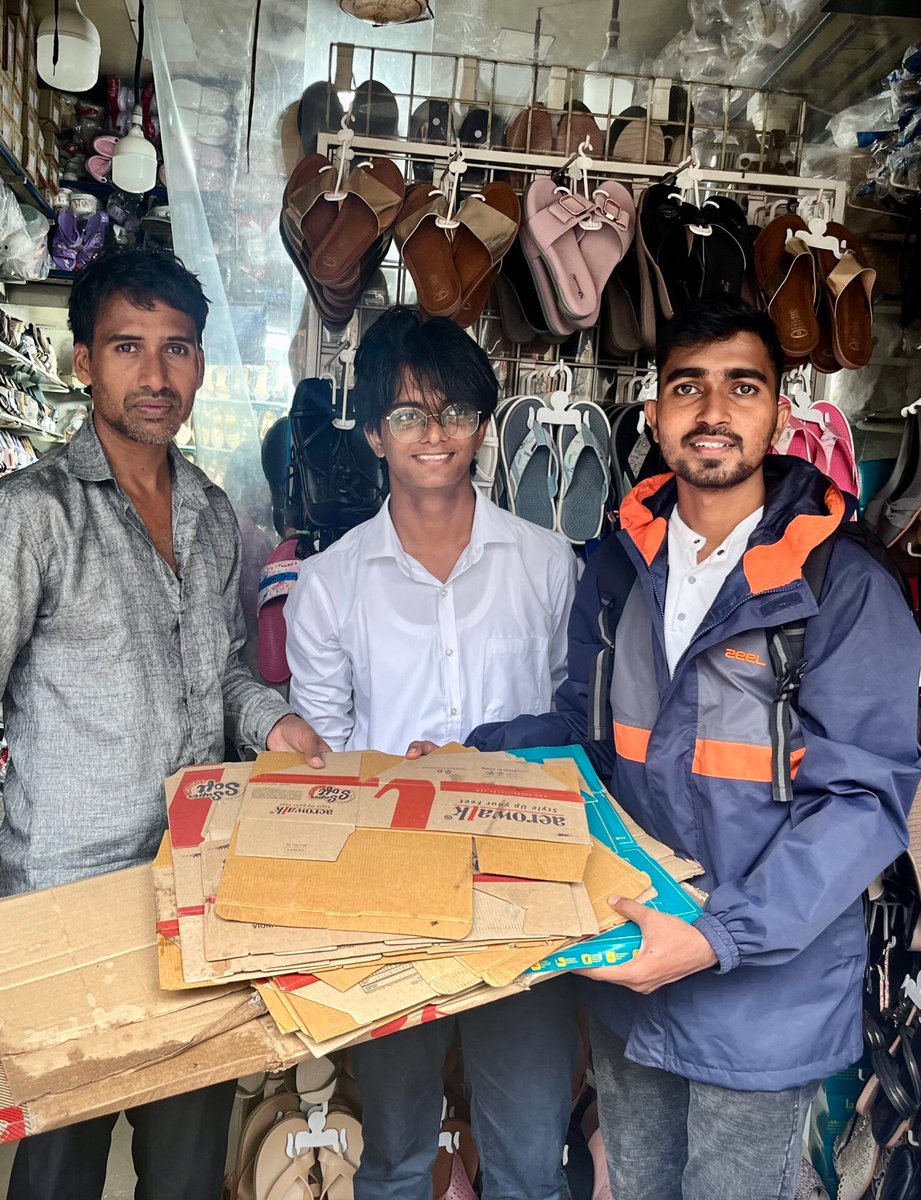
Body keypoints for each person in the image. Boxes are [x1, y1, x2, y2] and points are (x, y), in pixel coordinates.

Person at [0, 248, 330, 1200]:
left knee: (184, 1177)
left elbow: (217, 678)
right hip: (61, 913)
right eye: (128, 348)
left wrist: (275, 723)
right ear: (83, 360)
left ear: (202, 364)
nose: (156, 375)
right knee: (56, 1180)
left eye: (177, 349)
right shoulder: (27, 517)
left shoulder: (212, 516)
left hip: (191, 902)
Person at [458, 299, 921, 1200]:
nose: (713, 411)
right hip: (633, 970)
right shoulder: (618, 564)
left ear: (780, 414)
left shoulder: (842, 585)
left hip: (761, 996)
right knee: (633, 1186)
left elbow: (863, 806)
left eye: (741, 387)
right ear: (654, 414)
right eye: (688, 388)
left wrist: (713, 938)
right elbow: (587, 740)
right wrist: (474, 760)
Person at [284, 306, 581, 1200]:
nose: (434, 434)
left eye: (454, 411)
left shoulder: (548, 563)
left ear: (484, 424)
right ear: (374, 432)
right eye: (408, 415)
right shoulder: (332, 584)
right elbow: (324, 758)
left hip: (524, 883)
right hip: (387, 892)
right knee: (397, 1154)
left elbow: (573, 718)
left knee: (530, 1158)